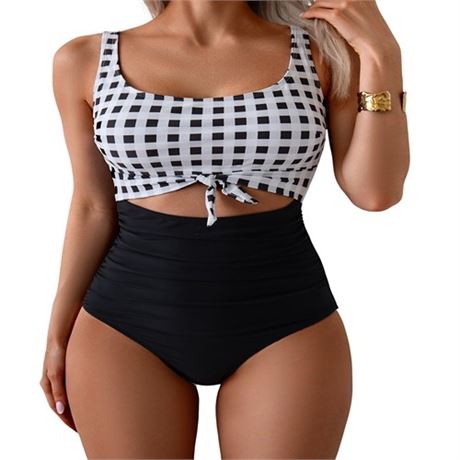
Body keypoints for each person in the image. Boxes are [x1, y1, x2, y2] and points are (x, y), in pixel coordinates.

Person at [40, 0, 409, 458]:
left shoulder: (320, 54)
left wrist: (383, 55)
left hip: (286, 322)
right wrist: (57, 334)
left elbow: (375, 192)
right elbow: (92, 206)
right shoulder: (83, 59)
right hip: (124, 325)